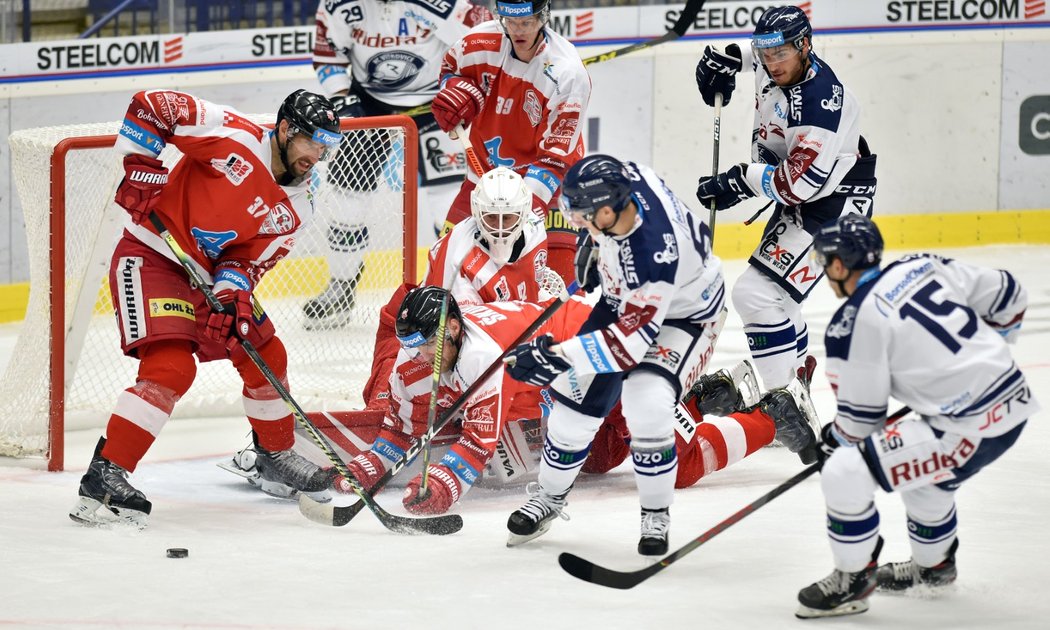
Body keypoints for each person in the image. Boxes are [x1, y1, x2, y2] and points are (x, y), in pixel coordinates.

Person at [502, 154, 822, 555]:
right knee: (576, 399)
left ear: (607, 209)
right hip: (635, 299)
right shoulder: (629, 180)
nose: (577, 221)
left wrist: (556, 356)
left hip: (686, 318)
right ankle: (549, 498)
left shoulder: (653, 255)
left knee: (645, 403)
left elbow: (624, 347)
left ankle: (656, 514)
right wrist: (594, 244)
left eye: (583, 217)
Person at [68, 89, 343, 528]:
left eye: (327, 146)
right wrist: (142, 168)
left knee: (267, 355)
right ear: (287, 130)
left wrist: (233, 297)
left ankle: (272, 455)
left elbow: (248, 260)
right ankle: (105, 476)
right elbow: (153, 105)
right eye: (312, 142)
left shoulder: (299, 206)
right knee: (172, 368)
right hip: (152, 255)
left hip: (208, 278)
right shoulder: (232, 134)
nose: (318, 155)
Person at [794, 214, 1037, 619]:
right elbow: (1010, 292)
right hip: (1012, 400)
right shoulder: (921, 264)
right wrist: (990, 352)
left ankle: (852, 579)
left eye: (825, 262)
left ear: (839, 266)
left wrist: (831, 443)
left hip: (971, 427)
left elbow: (861, 423)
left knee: (844, 472)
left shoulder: (851, 324)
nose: (824, 270)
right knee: (921, 476)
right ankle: (935, 568)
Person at [693, 5, 877, 391]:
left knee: (756, 294)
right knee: (780, 300)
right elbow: (750, 54)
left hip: (836, 205)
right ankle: (797, 385)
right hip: (809, 199)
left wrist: (739, 181)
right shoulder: (776, 58)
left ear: (804, 45)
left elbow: (800, 184)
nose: (770, 63)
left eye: (780, 54)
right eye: (765, 53)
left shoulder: (819, 102)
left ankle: (785, 403)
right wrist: (724, 59)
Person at [306, 0, 494, 329]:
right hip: (369, 105)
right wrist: (340, 96)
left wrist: (461, 88)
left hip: (436, 105)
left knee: (448, 207)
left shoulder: (445, 4)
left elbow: (484, 42)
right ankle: (341, 283)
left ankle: (455, 288)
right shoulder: (339, 5)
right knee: (346, 204)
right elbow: (328, 54)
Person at [431, 0, 591, 285]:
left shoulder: (568, 73)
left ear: (543, 18)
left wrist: (521, 215)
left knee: (559, 283)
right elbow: (450, 70)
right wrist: (451, 91)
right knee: (442, 273)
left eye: (526, 22)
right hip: (481, 182)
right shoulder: (476, 43)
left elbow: (555, 159)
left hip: (552, 189)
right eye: (510, 21)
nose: (518, 30)